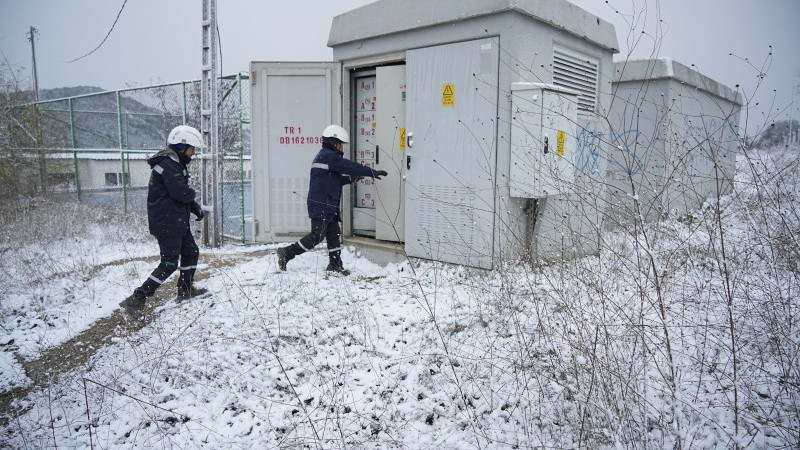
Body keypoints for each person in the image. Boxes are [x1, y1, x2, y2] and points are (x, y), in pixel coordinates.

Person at [120, 125, 208, 320]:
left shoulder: (176, 164)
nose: (193, 154)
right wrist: (191, 194)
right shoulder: (169, 165)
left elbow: (180, 193)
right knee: (169, 264)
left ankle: (185, 290)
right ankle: (136, 299)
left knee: (191, 252)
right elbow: (181, 192)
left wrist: (194, 207)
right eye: (192, 149)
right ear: (181, 146)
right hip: (167, 222)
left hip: (176, 219)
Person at [277, 125, 388, 275]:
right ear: (333, 142)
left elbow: (334, 180)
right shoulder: (329, 156)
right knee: (317, 236)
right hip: (321, 204)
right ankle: (286, 253)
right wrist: (371, 172)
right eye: (340, 144)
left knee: (334, 234)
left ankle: (335, 265)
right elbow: (350, 166)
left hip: (329, 204)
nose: (341, 147)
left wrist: (351, 178)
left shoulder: (326, 157)